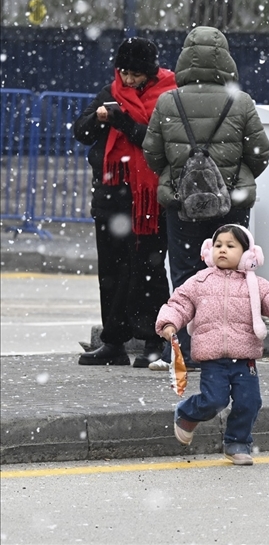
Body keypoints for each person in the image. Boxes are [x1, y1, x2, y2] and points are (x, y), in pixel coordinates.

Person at [143, 26, 269, 370]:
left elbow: (152, 152)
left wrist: (180, 179)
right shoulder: (239, 101)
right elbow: (259, 152)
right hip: (231, 203)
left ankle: (186, 351)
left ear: (185, 58)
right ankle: (228, 350)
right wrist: (233, 181)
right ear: (225, 59)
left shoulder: (168, 100)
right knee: (232, 274)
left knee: (186, 275)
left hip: (181, 205)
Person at [156, 224, 269, 465]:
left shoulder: (255, 284)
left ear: (247, 253)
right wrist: (169, 323)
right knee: (215, 400)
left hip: (245, 357)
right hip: (213, 358)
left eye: (231, 246)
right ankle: (187, 412)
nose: (223, 250)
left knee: (250, 401)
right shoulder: (200, 281)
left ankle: (237, 442)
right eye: (218, 245)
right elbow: (179, 303)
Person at [73, 37, 175, 367]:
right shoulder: (110, 93)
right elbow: (81, 132)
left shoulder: (168, 96)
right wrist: (99, 118)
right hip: (112, 198)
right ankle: (113, 342)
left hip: (148, 201)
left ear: (150, 72)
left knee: (149, 271)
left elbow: (153, 141)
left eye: (134, 74)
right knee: (112, 272)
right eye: (124, 72)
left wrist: (122, 122)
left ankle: (151, 342)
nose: (128, 80)